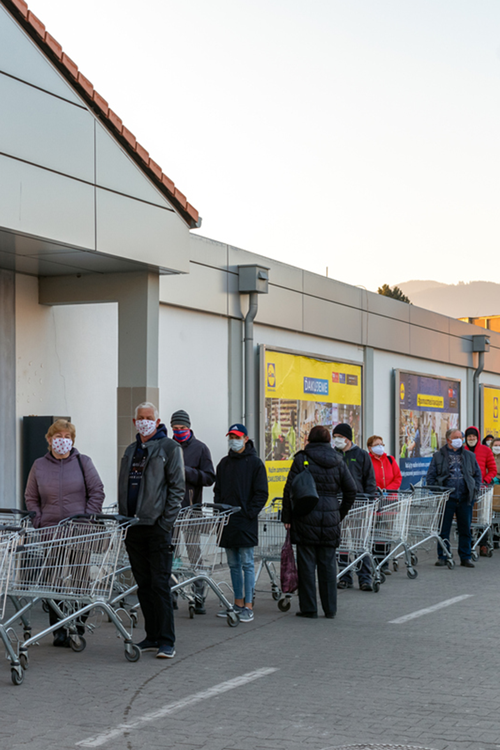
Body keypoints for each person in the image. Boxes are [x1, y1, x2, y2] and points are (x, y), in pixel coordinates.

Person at [25, 419, 104, 646]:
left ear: (73, 440)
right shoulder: (39, 465)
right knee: (54, 581)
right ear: (49, 440)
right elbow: (31, 497)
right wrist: (39, 522)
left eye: (67, 437)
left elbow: (97, 491)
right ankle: (59, 630)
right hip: (51, 531)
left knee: (80, 579)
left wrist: (87, 519)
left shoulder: (83, 462)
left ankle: (78, 626)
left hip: (79, 531)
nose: (63, 441)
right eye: (58, 436)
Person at [118, 402, 185, 659]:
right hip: (134, 528)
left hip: (157, 527)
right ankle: (152, 636)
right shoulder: (131, 450)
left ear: (157, 422)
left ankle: (167, 640)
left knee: (159, 584)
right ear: (134, 422)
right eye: (140, 418)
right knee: (143, 585)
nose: (144, 421)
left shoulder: (169, 448)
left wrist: (165, 522)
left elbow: (177, 488)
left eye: (149, 418)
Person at [282, 425, 357, 619]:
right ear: (327, 441)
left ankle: (309, 608)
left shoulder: (301, 459)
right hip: (330, 517)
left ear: (310, 440)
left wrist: (287, 517)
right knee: (328, 566)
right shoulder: (338, 460)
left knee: (306, 566)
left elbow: (289, 489)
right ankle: (330, 609)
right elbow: (351, 490)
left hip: (305, 516)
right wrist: (340, 513)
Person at [214, 423, 268, 622]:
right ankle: (237, 603)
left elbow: (262, 493)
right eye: (231, 437)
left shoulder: (255, 463)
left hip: (245, 521)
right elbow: (217, 489)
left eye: (237, 437)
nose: (233, 441)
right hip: (227, 521)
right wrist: (220, 511)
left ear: (246, 439)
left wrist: (249, 513)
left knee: (246, 563)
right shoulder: (224, 464)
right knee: (233, 564)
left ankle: (248, 605)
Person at [170, 409, 215, 614]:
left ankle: (199, 595)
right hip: (169, 511)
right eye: (175, 428)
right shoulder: (167, 447)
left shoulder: (200, 449)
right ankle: (172, 593)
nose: (179, 431)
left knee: (194, 553)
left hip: (191, 511)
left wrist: (187, 472)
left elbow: (209, 477)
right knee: (171, 554)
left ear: (189, 428)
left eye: (182, 428)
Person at [426, 427, 481, 568]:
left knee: (465, 529)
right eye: (457, 437)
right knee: (444, 529)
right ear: (449, 439)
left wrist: (474, 490)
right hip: (447, 499)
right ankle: (443, 556)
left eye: (461, 437)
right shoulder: (439, 456)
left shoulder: (469, 455)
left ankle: (465, 557)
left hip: (464, 497)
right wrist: (438, 493)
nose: (460, 440)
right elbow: (430, 477)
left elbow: (477, 475)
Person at [333, 423, 377, 591]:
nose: (336, 440)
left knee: (360, 542)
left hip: (359, 504)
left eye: (339, 437)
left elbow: (370, 480)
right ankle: (344, 576)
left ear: (347, 438)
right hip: (338, 504)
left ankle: (365, 578)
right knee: (342, 543)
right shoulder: (333, 454)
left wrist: (369, 501)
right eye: (334, 437)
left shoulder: (361, 455)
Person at [367, 434, 402, 575]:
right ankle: (374, 561)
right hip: (374, 501)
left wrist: (388, 490)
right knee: (373, 532)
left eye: (381, 444)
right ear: (370, 447)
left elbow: (398, 477)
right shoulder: (367, 461)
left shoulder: (390, 459)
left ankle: (384, 563)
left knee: (386, 532)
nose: (380, 447)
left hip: (389, 500)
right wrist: (376, 491)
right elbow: (366, 479)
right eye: (376, 444)